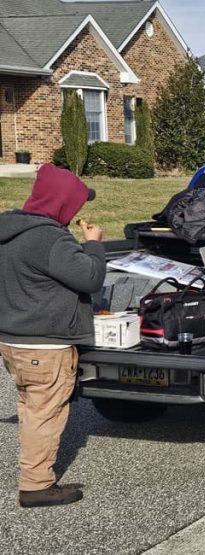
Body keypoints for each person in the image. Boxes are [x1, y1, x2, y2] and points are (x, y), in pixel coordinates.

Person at [0, 163, 104, 508]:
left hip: (13, 339)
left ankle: (36, 474)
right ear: (61, 202)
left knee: (32, 409)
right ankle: (36, 485)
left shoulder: (10, 230)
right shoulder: (49, 238)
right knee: (45, 413)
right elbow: (90, 278)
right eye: (76, 204)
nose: (78, 211)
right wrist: (93, 245)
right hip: (45, 343)